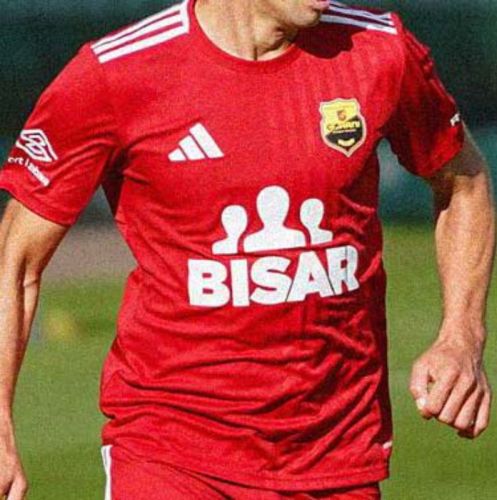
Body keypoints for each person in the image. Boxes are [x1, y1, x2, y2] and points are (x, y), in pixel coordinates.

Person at [0, 0, 494, 498]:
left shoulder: (380, 49)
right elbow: (16, 261)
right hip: (171, 454)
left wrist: (462, 336)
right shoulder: (116, 73)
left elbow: (464, 182)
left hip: (335, 456)